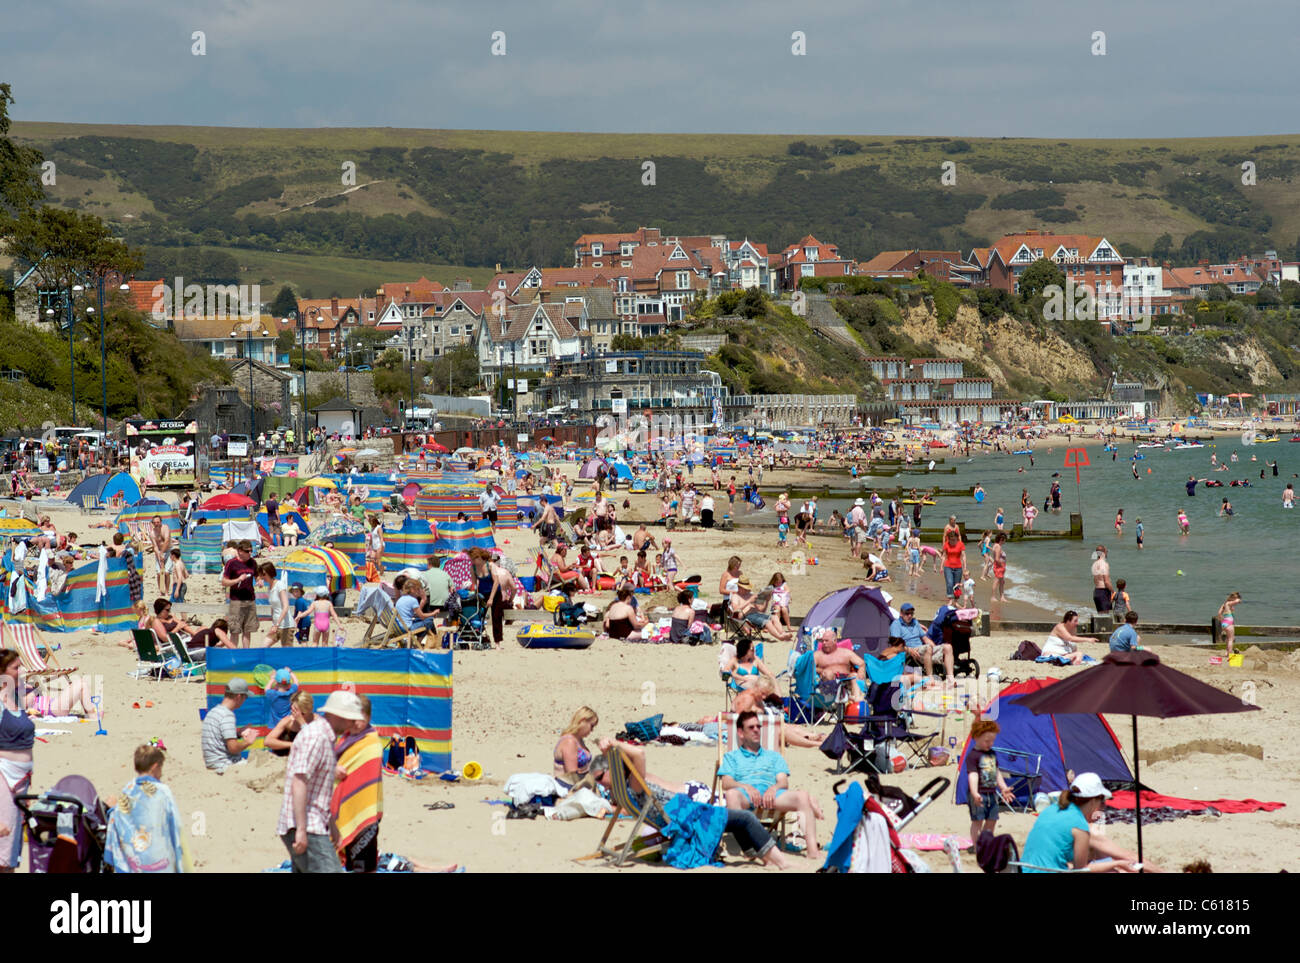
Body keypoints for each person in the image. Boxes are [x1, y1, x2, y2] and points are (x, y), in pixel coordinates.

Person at [591, 738, 789, 870]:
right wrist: (615, 743)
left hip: (686, 812)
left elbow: (638, 754)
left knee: (736, 819)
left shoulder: (627, 787)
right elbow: (640, 753)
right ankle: (781, 863)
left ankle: (764, 856)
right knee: (745, 818)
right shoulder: (631, 787)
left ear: (610, 770)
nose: (599, 783)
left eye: (599, 777)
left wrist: (613, 745)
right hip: (688, 817)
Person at [718, 710, 822, 860]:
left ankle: (813, 851)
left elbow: (783, 781)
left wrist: (774, 788)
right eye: (751, 727)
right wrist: (746, 787)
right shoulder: (731, 757)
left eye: (758, 727)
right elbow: (727, 782)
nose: (756, 730)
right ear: (740, 733)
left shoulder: (774, 756)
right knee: (731, 794)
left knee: (803, 796)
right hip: (746, 795)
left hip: (772, 795)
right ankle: (749, 848)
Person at [278, 689, 359, 873]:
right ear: (337, 715)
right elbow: (299, 782)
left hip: (310, 823)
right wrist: (301, 829)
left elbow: (318, 791)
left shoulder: (325, 737)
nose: (354, 723)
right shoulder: (317, 737)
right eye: (350, 718)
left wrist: (332, 826)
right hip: (306, 825)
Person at [1020, 773, 1156, 873]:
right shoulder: (1079, 825)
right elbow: (1081, 871)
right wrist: (1118, 863)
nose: (1103, 806)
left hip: (1026, 870)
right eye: (1101, 801)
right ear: (1092, 801)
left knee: (1104, 860)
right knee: (1112, 870)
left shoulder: (1051, 810)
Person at [105, 741, 188, 873]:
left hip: (133, 861)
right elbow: (174, 824)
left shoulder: (128, 789)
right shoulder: (162, 791)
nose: (161, 773)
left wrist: (112, 810)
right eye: (161, 768)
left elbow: (120, 820)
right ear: (155, 767)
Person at [332, 693, 385, 873]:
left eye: (360, 719)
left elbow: (367, 780)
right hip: (344, 810)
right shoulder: (343, 739)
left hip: (365, 814)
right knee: (349, 865)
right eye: (352, 718)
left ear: (368, 717)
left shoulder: (372, 743)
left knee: (364, 866)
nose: (355, 723)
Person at [0, 654, 36, 873]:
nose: (21, 671)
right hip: (3, 777)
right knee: (2, 851)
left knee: (12, 853)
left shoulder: (16, 697)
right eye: (16, 668)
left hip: (21, 780)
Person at [965, 720, 1015, 848]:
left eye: (992, 740)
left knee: (992, 820)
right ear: (976, 737)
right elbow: (973, 774)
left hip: (992, 793)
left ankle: (987, 844)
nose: (990, 744)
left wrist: (1003, 788)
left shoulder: (992, 753)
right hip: (978, 794)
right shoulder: (973, 756)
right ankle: (977, 846)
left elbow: (996, 772)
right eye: (987, 741)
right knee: (977, 821)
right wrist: (974, 792)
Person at [201, 678, 259, 773]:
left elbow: (218, 739)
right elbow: (233, 748)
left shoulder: (213, 712)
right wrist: (248, 742)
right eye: (245, 697)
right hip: (225, 765)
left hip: (212, 763)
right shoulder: (227, 715)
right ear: (239, 696)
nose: (244, 701)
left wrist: (238, 734)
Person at [469, 546, 513, 648]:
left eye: (474, 559)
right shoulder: (473, 568)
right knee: (479, 615)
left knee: (496, 616)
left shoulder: (490, 565)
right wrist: (474, 593)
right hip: (482, 593)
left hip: (495, 593)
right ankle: (479, 638)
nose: (472, 561)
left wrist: (491, 598)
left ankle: (497, 642)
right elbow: (475, 583)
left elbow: (496, 582)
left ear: (479, 557)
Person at [729, 577, 793, 642]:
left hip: (756, 614)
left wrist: (767, 601)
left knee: (774, 617)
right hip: (745, 616)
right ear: (739, 587)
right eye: (744, 588)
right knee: (767, 622)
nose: (746, 590)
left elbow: (761, 610)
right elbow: (735, 610)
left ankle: (783, 633)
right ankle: (780, 637)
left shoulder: (750, 595)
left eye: (747, 588)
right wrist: (749, 601)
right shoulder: (735, 596)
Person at [221, 540, 259, 647]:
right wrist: (237, 580)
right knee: (235, 630)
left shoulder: (252, 562)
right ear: (240, 551)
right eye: (248, 551)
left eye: (251, 551)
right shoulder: (231, 563)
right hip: (236, 600)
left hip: (250, 599)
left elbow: (257, 575)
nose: (250, 553)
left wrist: (259, 580)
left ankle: (245, 653)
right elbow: (224, 582)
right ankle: (234, 653)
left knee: (248, 629)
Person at [554, 706, 598, 785]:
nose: (592, 730)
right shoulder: (569, 742)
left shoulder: (579, 740)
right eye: (591, 726)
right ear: (582, 721)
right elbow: (572, 774)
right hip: (567, 787)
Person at [258, 562, 295, 647]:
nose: (263, 576)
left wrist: (277, 624)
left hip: (286, 625)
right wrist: (273, 623)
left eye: (264, 574)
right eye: (261, 574)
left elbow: (286, 607)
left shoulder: (279, 585)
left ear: (270, 572)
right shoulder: (269, 587)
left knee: (287, 652)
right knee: (263, 646)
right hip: (276, 625)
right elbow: (273, 607)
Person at [1090, 545, 1113, 614]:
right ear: (1104, 552)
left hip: (1096, 591)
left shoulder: (1094, 564)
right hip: (1103, 591)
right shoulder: (1104, 564)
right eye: (1107, 551)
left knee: (1100, 616)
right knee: (1105, 616)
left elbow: (1095, 580)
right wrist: (1113, 591)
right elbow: (1106, 581)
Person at [1217, 592, 1241, 656]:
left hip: (1224, 622)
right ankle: (1230, 654)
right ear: (1232, 598)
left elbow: (1219, 613)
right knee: (1231, 639)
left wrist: (1221, 620)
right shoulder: (1228, 603)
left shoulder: (1224, 604)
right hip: (1229, 622)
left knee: (1228, 638)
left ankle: (1227, 652)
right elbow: (1236, 601)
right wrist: (1238, 600)